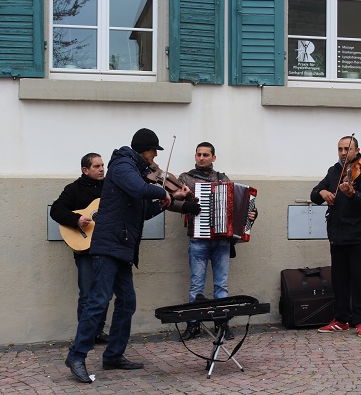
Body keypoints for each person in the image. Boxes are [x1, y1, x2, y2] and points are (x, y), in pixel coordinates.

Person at [64, 128, 196, 383]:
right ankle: (76, 355)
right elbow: (139, 189)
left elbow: (144, 210)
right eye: (152, 152)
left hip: (123, 247)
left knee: (127, 302)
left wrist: (167, 201)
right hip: (108, 245)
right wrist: (162, 192)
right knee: (98, 302)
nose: (154, 158)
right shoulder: (123, 164)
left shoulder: (137, 173)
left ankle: (113, 355)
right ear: (143, 150)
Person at [172, 142, 257, 341]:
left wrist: (250, 214)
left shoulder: (222, 179)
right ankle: (193, 325)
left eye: (206, 155)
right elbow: (170, 201)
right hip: (198, 239)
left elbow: (238, 203)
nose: (201, 158)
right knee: (196, 285)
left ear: (213, 158)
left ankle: (222, 324)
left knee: (221, 286)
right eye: (198, 154)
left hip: (221, 241)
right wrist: (187, 206)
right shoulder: (185, 178)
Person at [310, 135, 361, 338]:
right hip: (337, 234)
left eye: (347, 149)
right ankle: (341, 319)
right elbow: (314, 194)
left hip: (358, 234)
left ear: (357, 151)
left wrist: (351, 194)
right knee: (339, 280)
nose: (343, 153)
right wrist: (322, 192)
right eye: (340, 149)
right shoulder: (334, 171)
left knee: (359, 280)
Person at [50, 153, 110, 345]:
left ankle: (98, 331)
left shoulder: (110, 188)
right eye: (96, 166)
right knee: (87, 293)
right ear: (85, 170)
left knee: (105, 293)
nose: (101, 169)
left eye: (102, 165)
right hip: (84, 249)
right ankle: (85, 335)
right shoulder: (73, 189)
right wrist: (76, 220)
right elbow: (56, 210)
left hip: (107, 247)